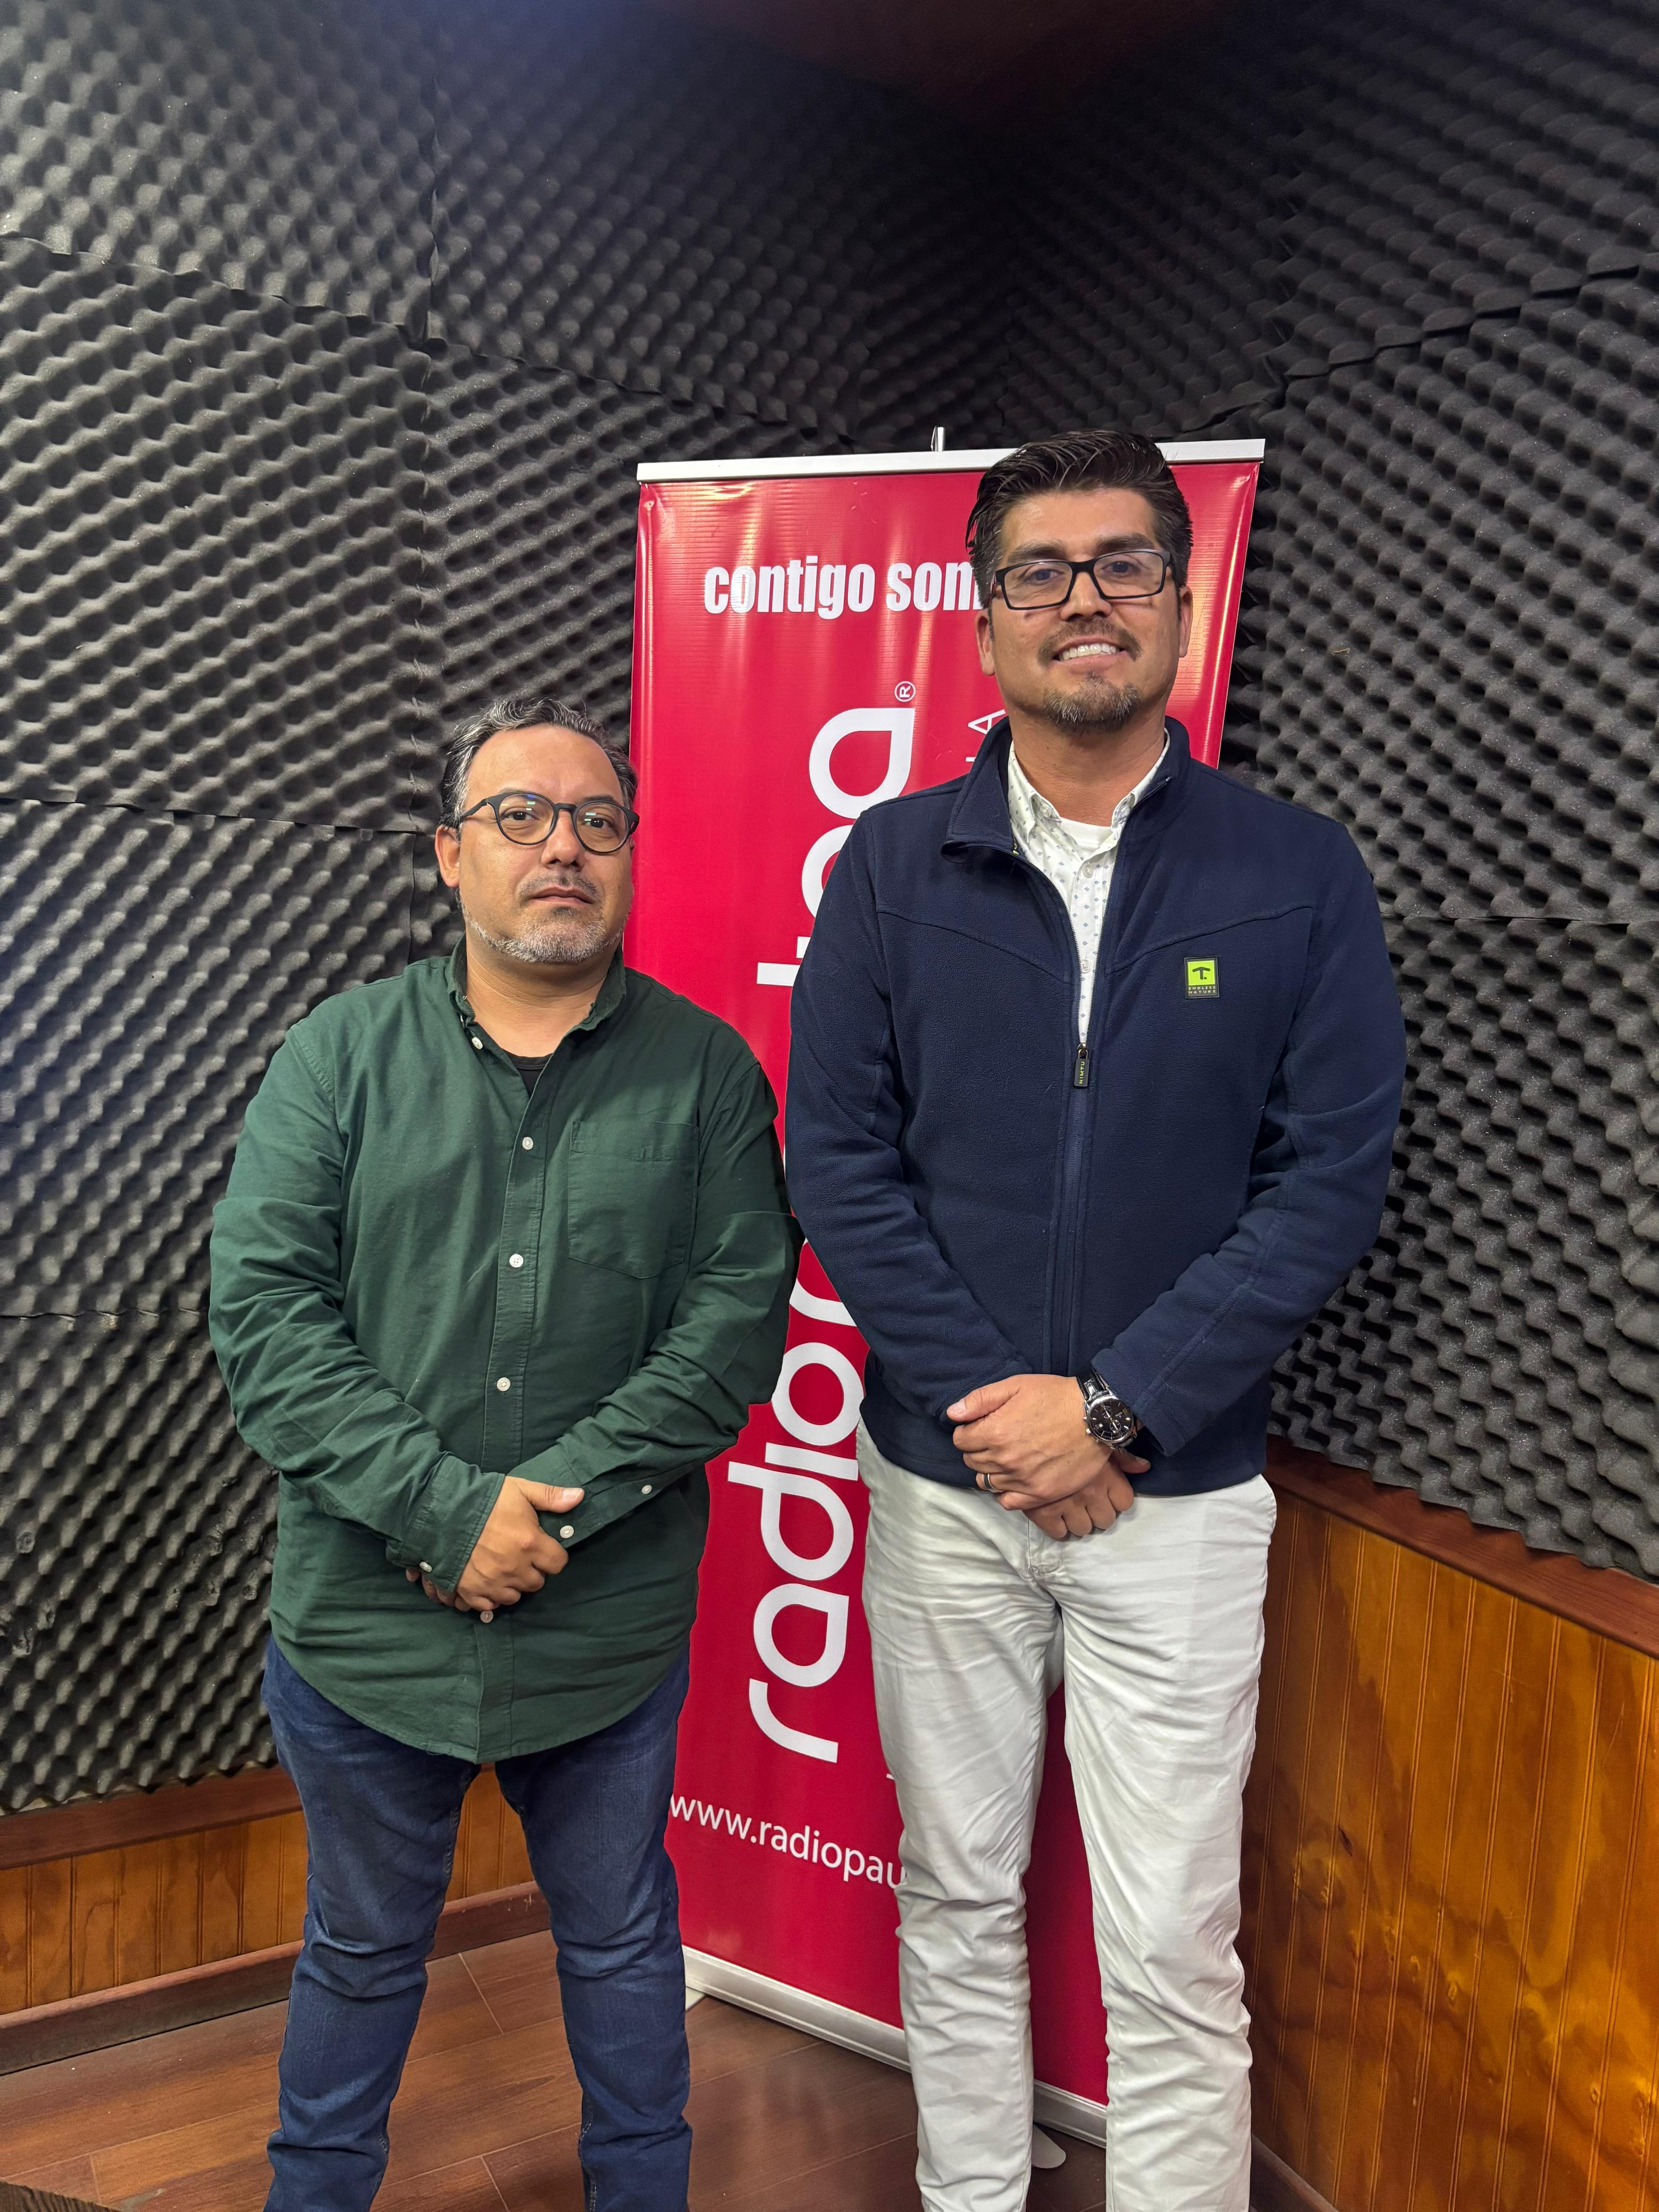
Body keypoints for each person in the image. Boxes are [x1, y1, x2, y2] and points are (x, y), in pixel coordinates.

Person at [786, 431, 1404, 2212]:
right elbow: (839, 1158)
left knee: (1173, 1946)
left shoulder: (1297, 872)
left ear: (1180, 603)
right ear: (985, 620)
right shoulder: (891, 866)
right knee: (955, 1896)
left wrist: (1117, 1412)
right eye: (1041, 572)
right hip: (948, 1484)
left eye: (1123, 564)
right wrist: (1002, 1407)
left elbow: (1326, 1184)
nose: (1085, 601)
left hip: (1179, 1503)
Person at [211, 694, 799, 2212]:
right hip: (366, 1630)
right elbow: (266, 1315)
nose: (564, 849)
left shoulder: (710, 1076)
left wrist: (546, 1519)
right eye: (520, 817)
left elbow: (731, 1331)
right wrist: (443, 1511)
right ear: (448, 853)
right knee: (358, 1951)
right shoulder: (337, 1057)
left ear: (630, 854)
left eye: (599, 821)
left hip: (605, 1636)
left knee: (621, 1944)